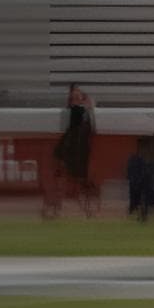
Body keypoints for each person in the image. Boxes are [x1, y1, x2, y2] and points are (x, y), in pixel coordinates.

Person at [44, 83, 97, 219]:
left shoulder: (81, 113)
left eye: (79, 93)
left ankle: (58, 210)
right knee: (67, 183)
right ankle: (56, 209)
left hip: (76, 154)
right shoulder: (77, 112)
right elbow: (80, 132)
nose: (78, 95)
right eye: (75, 94)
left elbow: (89, 131)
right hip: (72, 155)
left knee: (73, 184)